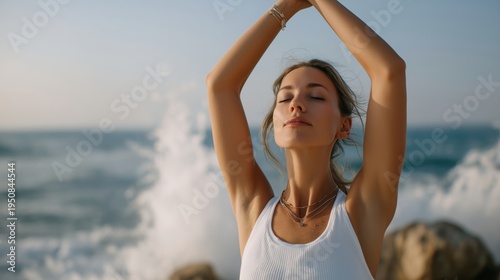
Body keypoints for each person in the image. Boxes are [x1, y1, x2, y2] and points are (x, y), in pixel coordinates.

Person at [206, 0, 406, 278]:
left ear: (344, 126)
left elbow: (389, 71)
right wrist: (285, 7)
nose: (296, 105)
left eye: (315, 96)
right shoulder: (252, 208)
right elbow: (219, 85)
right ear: (274, 124)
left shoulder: (361, 212)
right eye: (285, 97)